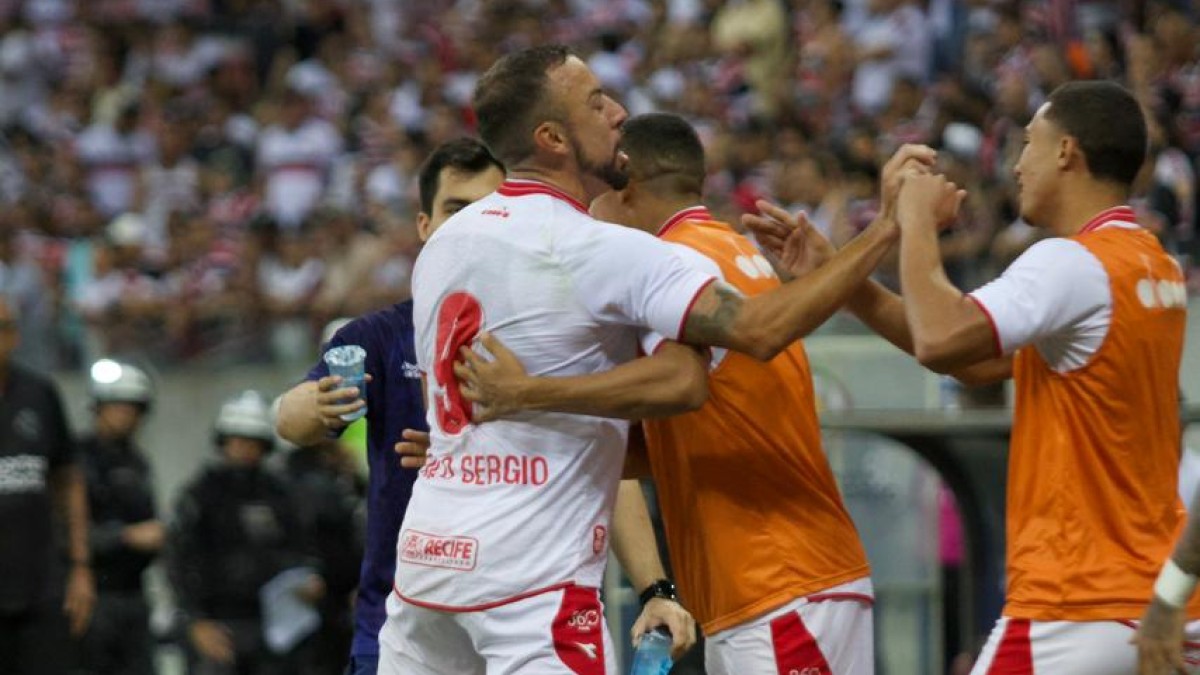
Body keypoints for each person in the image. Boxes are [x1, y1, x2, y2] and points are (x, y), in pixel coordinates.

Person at [382, 45, 905, 675]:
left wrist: (489, 419)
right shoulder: (608, 248)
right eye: (596, 102)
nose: (617, 112)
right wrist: (886, 228)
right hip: (530, 585)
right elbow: (729, 351)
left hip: (426, 568)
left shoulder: (444, 245)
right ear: (551, 138)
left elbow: (590, 422)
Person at [890, 81, 1194, 672]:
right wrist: (845, 286)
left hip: (1074, 601)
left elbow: (939, 335)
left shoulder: (1070, 262)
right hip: (1155, 598)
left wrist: (916, 221)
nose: (1016, 164)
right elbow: (968, 358)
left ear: (1066, 152)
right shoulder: (1153, 262)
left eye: (1028, 143)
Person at [274, 137, 506, 675]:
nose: (471, 225)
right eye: (455, 209)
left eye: (488, 209)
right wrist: (318, 406)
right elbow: (290, 419)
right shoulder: (379, 336)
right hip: (401, 619)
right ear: (425, 225)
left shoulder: (545, 334)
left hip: (516, 613)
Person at [168, 390, 322, 675]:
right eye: (237, 440)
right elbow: (178, 561)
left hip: (276, 627)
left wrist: (309, 578)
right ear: (223, 442)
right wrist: (195, 622)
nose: (244, 449)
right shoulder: (200, 495)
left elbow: (304, 547)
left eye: (253, 442)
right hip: (217, 626)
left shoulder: (281, 495)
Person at [0, 296, 95, 675]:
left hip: (41, 587)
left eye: (5, 327)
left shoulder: (39, 394)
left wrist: (80, 566)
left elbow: (68, 480)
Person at [76, 359, 162, 675]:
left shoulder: (137, 462)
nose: (127, 416)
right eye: (118, 407)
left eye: (133, 409)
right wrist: (126, 536)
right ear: (98, 407)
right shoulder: (77, 459)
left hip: (133, 593)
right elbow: (66, 531)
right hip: (92, 593)